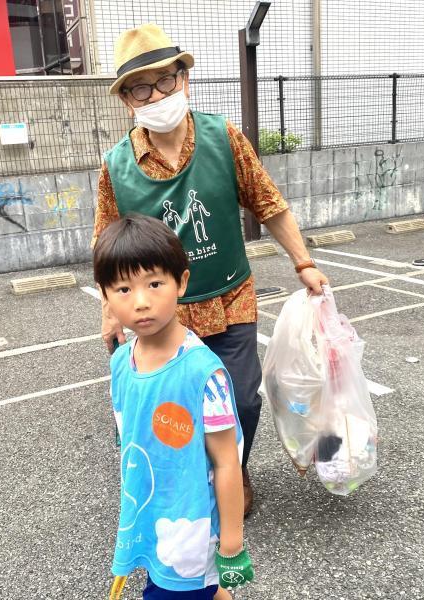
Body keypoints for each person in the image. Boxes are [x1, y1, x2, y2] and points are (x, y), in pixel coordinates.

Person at [94, 23, 329, 516]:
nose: (157, 94)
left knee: (241, 399)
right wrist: (110, 310)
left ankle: (233, 470)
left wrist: (303, 262)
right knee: (174, 406)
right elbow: (105, 245)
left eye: (165, 79)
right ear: (127, 101)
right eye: (141, 88)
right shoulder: (116, 166)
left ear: (184, 79)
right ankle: (198, 481)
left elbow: (268, 202)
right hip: (162, 311)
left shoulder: (224, 137)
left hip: (229, 296)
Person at [94, 214, 254, 599]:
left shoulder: (203, 374)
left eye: (154, 284)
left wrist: (231, 542)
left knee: (174, 591)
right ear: (105, 296)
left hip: (190, 530)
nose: (141, 302)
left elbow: (227, 462)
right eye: (123, 289)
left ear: (181, 282)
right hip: (147, 512)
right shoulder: (122, 362)